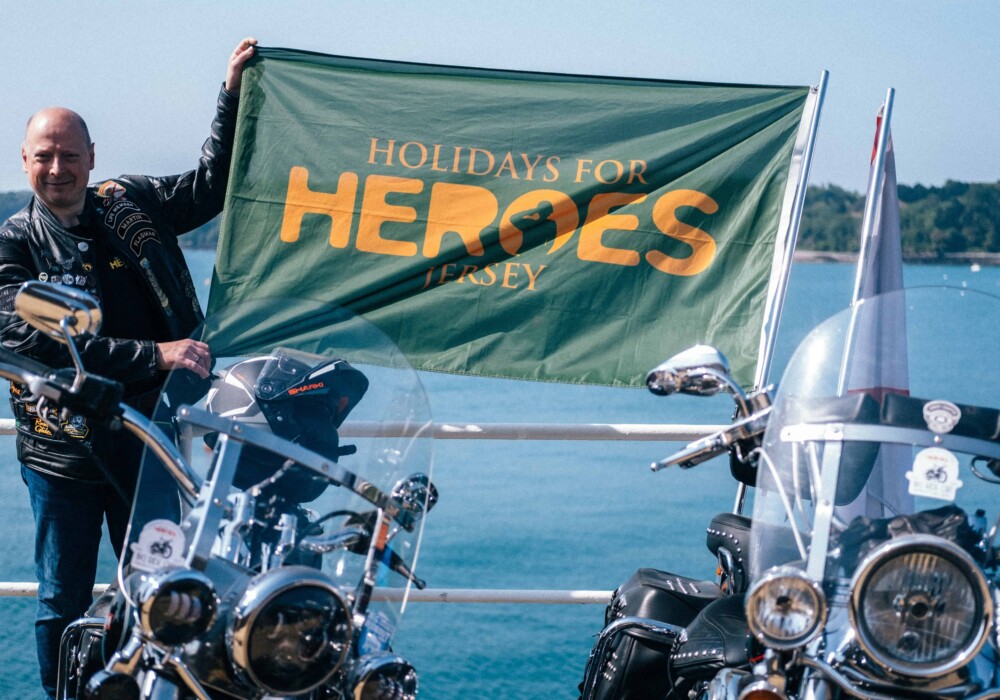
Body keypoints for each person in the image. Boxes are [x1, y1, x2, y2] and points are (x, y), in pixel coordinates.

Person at [0, 37, 257, 699]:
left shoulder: (129, 202)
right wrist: (155, 354)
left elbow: (210, 186)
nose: (58, 168)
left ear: (93, 157)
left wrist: (233, 94)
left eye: (69, 155)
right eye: (44, 155)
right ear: (25, 160)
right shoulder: (13, 243)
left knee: (159, 591)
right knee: (61, 600)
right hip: (64, 454)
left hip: (151, 444)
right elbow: (28, 337)